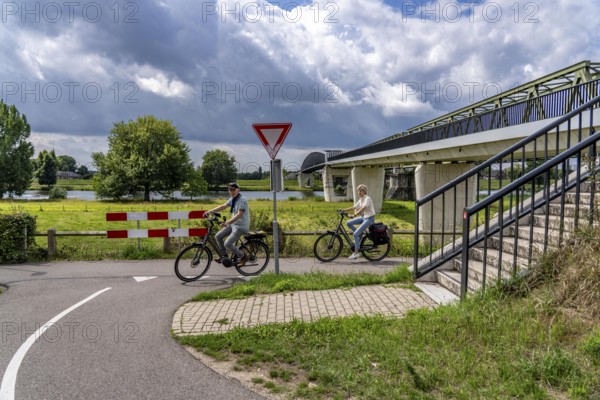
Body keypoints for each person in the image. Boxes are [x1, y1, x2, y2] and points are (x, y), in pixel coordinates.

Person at [206, 182, 250, 266]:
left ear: (238, 190)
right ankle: (224, 256)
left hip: (241, 227)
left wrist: (228, 222)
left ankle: (243, 256)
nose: (232, 191)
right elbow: (223, 206)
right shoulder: (233, 199)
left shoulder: (242, 200)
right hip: (234, 225)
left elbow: (239, 214)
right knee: (218, 236)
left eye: (234, 189)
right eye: (230, 190)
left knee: (227, 244)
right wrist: (210, 211)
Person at [342, 184, 376, 259]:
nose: (359, 192)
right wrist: (344, 210)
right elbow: (354, 207)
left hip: (369, 218)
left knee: (355, 234)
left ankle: (356, 253)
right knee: (348, 223)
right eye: (358, 191)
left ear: (364, 192)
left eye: (360, 191)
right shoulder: (361, 199)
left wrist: (354, 215)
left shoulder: (367, 198)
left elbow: (363, 208)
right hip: (364, 217)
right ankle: (359, 234)